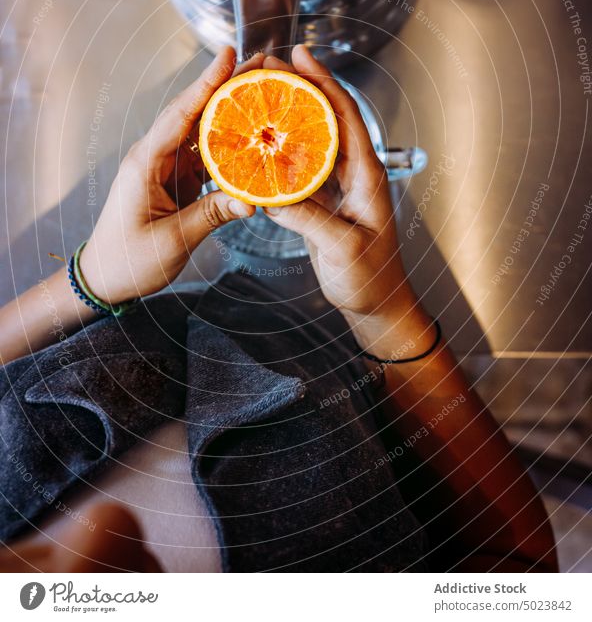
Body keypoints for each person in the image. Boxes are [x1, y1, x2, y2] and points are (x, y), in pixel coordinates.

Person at [0, 45, 557, 573]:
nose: (99, 526)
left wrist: (92, 278)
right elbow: (519, 567)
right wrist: (384, 316)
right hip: (345, 362)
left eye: (22, 565)